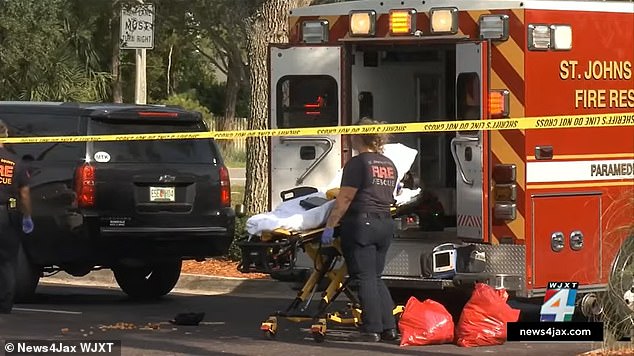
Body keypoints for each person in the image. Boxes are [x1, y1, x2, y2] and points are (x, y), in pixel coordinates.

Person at [321, 117, 399, 342]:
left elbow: (344, 198)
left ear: (358, 136)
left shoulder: (358, 163)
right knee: (375, 276)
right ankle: (389, 328)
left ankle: (372, 329)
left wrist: (329, 226)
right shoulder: (388, 164)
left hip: (362, 224)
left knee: (364, 277)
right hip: (384, 223)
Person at [0, 119, 34, 314]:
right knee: (7, 262)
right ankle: (4, 304)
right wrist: (27, 215)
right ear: (6, 136)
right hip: (8, 215)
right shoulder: (16, 163)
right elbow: (24, 194)